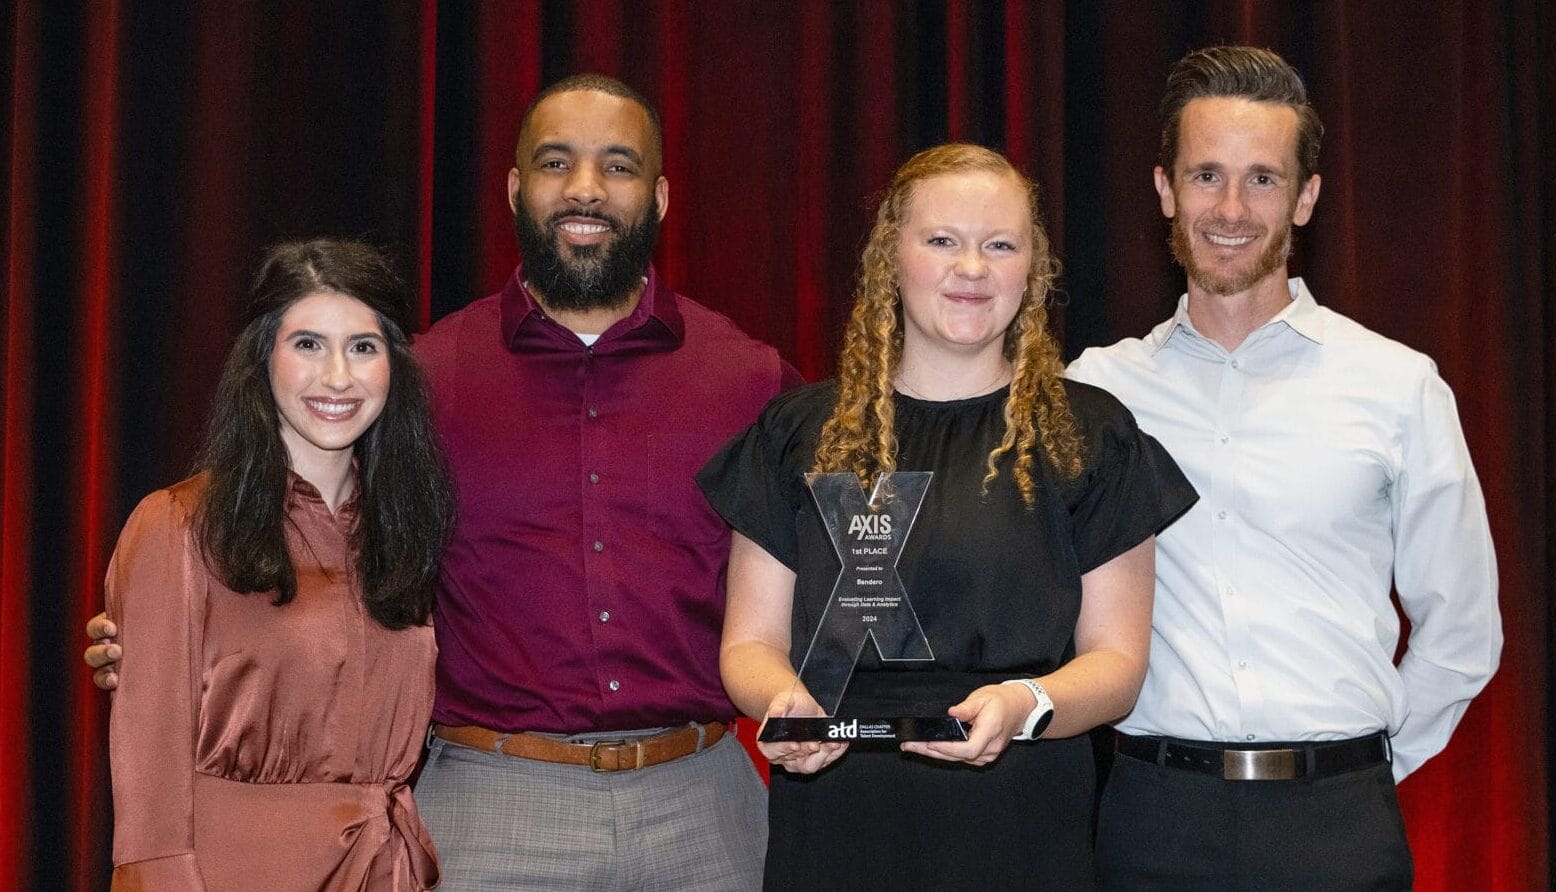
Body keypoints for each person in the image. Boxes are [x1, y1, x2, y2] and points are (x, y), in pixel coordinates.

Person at [92, 74, 796, 889]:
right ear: (514, 188)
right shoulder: (423, 378)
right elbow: (305, 527)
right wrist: (168, 628)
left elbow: (840, 562)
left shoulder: (749, 381)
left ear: (660, 196)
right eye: (556, 162)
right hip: (490, 805)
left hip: (701, 803)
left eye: (617, 165)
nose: (584, 188)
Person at [697, 143, 1197, 888]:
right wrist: (781, 703)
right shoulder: (797, 432)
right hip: (836, 817)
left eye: (1000, 246)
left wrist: (1026, 703)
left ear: (1032, 270)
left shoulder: (1089, 435)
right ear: (889, 259)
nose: (971, 268)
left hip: (1021, 822)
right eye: (941, 240)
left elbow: (1118, 665)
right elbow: (749, 642)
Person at [1066, 46, 1503, 889]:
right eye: (1205, 175)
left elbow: (1462, 630)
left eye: (1261, 179)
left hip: (1338, 827)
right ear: (1164, 189)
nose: (1230, 208)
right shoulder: (1094, 392)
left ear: (1305, 197)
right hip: (1151, 822)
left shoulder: (1395, 384)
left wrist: (1358, 771)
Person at [104, 240, 453, 890]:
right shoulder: (179, 525)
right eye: (309, 344)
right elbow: (149, 793)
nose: (338, 377)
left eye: (363, 347)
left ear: (394, 366)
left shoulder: (408, 530)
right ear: (263, 356)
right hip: (235, 871)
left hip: (382, 871)